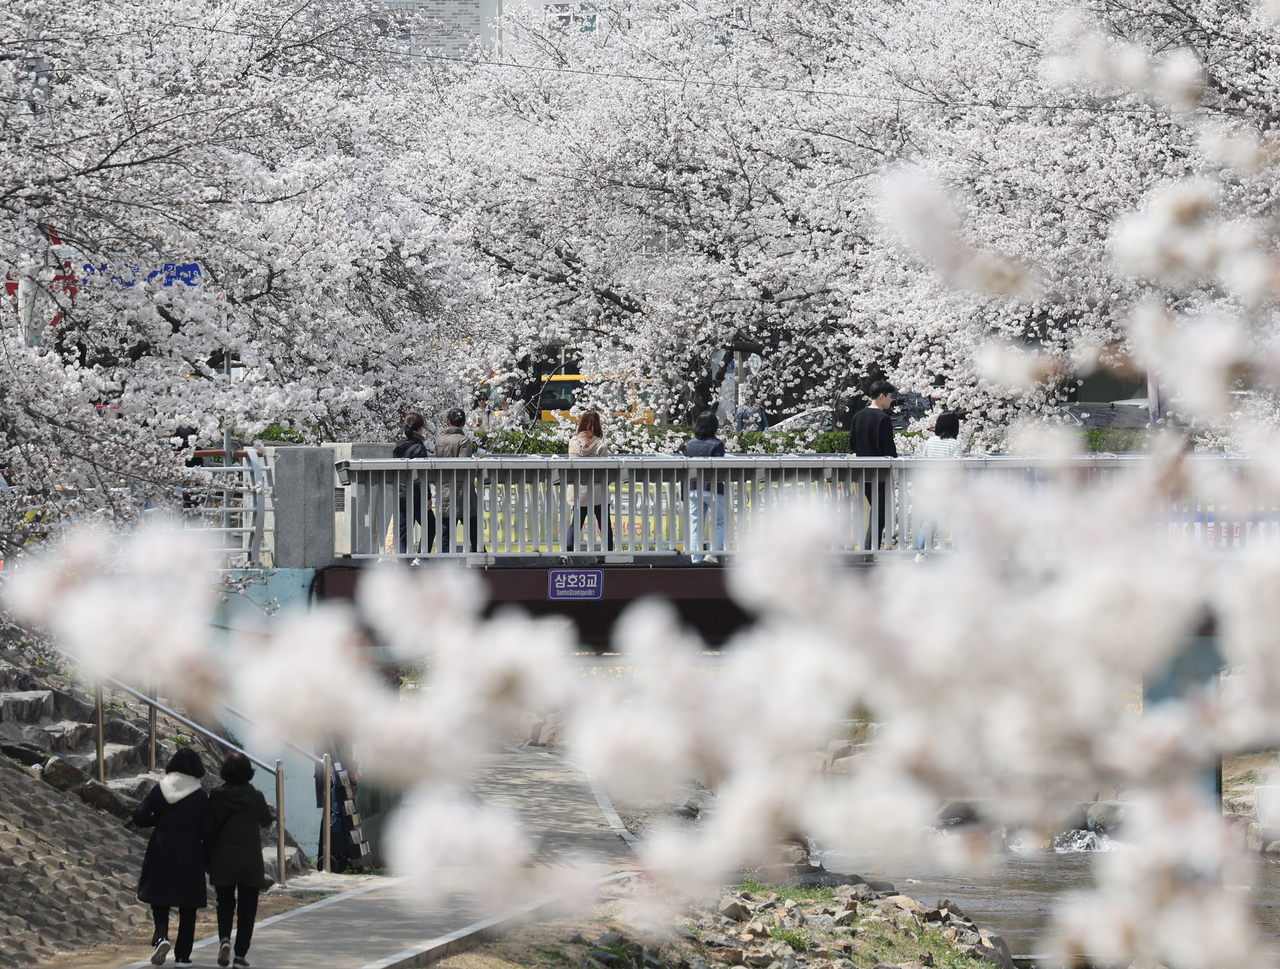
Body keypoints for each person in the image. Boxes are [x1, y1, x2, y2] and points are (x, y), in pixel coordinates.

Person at [132, 747, 211, 968]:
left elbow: (139, 816)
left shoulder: (160, 789)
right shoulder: (200, 795)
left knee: (159, 896)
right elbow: (207, 829)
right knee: (188, 905)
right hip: (190, 851)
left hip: (161, 847)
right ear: (197, 768)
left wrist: (157, 819)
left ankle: (161, 937)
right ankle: (183, 957)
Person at [207, 752, 272, 968]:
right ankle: (240, 955)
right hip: (249, 861)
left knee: (224, 904)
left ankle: (225, 939)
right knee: (247, 910)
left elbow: (208, 827)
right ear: (248, 773)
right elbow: (266, 821)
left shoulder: (215, 797)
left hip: (223, 858)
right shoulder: (256, 797)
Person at [849, 380, 898, 550]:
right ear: (882, 396)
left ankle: (869, 546)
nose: (891, 401)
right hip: (880, 472)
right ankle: (870, 548)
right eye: (890, 397)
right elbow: (889, 450)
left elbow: (852, 445)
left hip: (863, 472)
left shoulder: (857, 416)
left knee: (875, 510)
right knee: (880, 512)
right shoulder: (883, 419)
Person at [566, 411, 614, 552]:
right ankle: (608, 553)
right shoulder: (601, 446)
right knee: (604, 524)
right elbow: (607, 469)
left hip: (578, 491)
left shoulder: (573, 443)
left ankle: (567, 553)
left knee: (576, 524)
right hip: (598, 492)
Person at [435, 407, 480, 552]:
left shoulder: (439, 441)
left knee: (445, 531)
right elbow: (464, 463)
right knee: (473, 528)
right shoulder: (464, 440)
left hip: (445, 489)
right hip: (464, 491)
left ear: (447, 422)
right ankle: (479, 558)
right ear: (464, 423)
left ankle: (444, 563)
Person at [917, 412, 963, 554]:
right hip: (949, 487)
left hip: (932, 486)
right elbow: (958, 467)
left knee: (929, 520)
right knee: (957, 519)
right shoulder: (955, 444)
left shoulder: (930, 442)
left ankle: (922, 551)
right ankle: (957, 551)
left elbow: (924, 460)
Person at [392, 413, 437, 555]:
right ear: (421, 429)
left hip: (401, 493)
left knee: (403, 530)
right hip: (417, 495)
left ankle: (402, 562)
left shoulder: (398, 447)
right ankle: (421, 557)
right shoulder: (418, 448)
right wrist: (428, 496)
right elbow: (422, 476)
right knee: (430, 525)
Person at [685, 410, 726, 564]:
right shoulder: (717, 444)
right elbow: (719, 467)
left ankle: (695, 558)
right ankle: (712, 553)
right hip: (713, 489)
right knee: (719, 522)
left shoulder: (690, 445)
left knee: (696, 525)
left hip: (694, 488)